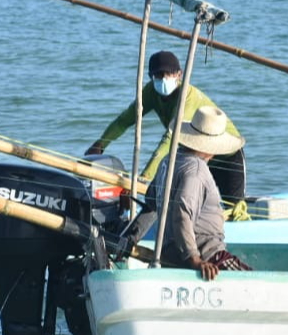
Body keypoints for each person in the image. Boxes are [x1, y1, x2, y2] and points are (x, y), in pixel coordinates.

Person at [86, 50, 247, 215]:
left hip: (227, 155)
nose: (163, 79)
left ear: (179, 74)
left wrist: (141, 180)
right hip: (197, 154)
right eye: (158, 76)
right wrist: (100, 144)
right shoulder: (150, 92)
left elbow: (169, 140)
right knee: (191, 202)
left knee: (234, 209)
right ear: (151, 77)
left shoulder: (186, 97)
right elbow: (125, 120)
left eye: (168, 74)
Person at [149, 105, 252, 280]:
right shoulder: (196, 169)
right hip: (207, 254)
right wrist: (195, 259)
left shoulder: (168, 161)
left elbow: (151, 200)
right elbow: (182, 213)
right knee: (253, 281)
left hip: (170, 251)